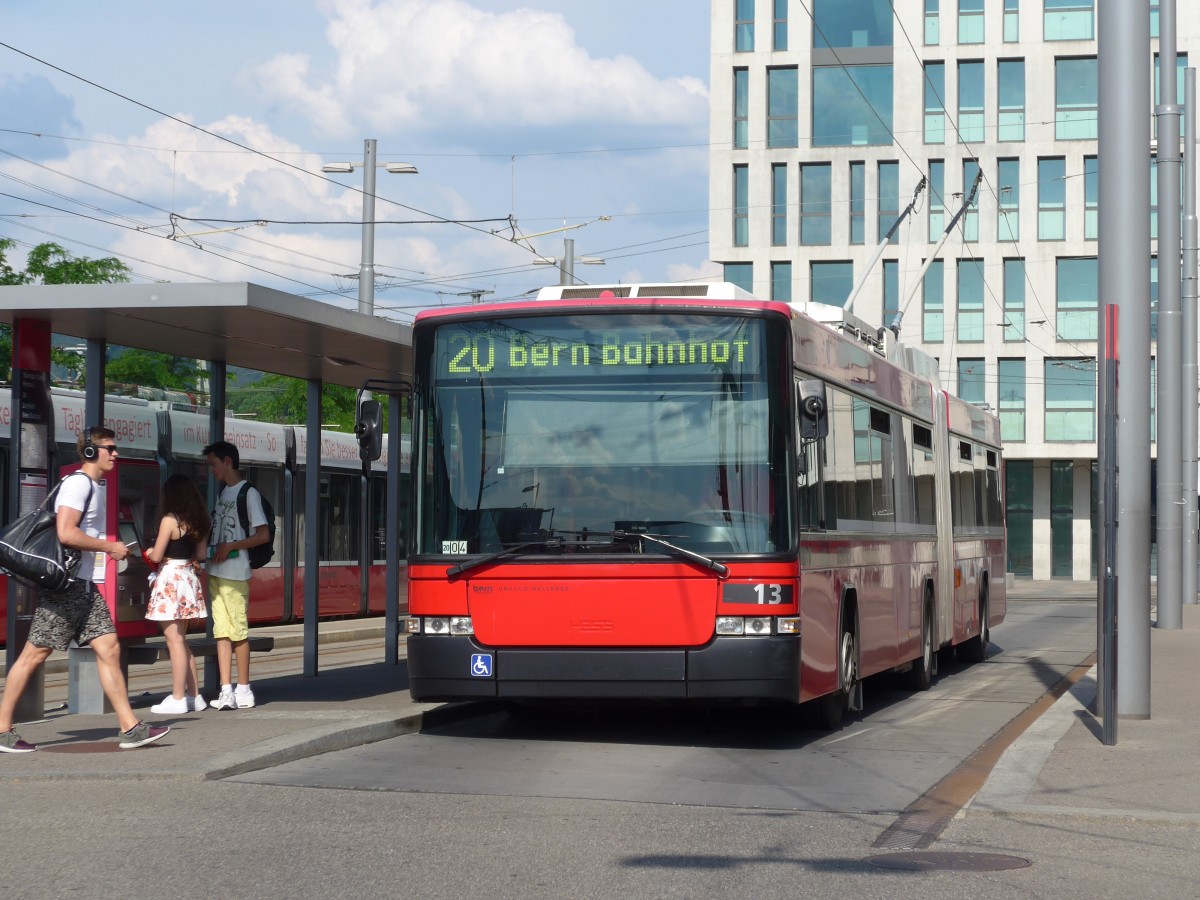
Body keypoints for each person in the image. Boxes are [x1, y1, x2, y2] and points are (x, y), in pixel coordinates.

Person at [0, 426, 170, 752]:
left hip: (84, 587)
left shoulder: (93, 485)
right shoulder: (78, 484)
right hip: (68, 588)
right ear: (91, 452)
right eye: (110, 448)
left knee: (110, 650)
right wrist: (109, 548)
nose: (115, 454)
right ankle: (2, 728)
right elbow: (65, 533)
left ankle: (130, 727)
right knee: (33, 655)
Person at [203, 440, 270, 711]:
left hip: (235, 572)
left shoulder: (247, 494)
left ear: (228, 461)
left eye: (213, 464)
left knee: (238, 631)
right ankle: (226, 689)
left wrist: (231, 546)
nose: (211, 470)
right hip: (216, 571)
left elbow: (262, 534)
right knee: (222, 632)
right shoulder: (223, 492)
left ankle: (244, 688)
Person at [144, 474, 211, 715]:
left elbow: (156, 555)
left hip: (171, 578)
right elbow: (201, 555)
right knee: (182, 641)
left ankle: (178, 697)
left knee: (174, 641)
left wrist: (151, 550)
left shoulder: (169, 520)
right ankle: (195, 696)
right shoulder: (201, 521)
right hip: (188, 579)